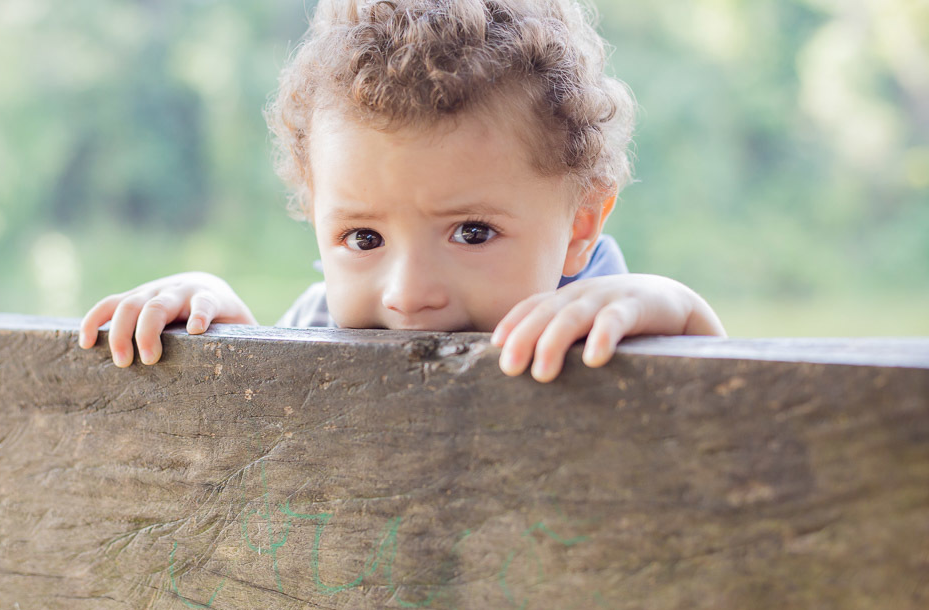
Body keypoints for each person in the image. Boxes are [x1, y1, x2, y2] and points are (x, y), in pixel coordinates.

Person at [78, 0, 725, 383]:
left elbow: (728, 430)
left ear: (580, 226)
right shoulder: (320, 325)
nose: (409, 294)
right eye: (363, 238)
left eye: (472, 232)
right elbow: (267, 442)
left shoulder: (604, 322)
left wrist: (681, 314)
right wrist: (220, 329)